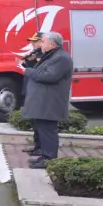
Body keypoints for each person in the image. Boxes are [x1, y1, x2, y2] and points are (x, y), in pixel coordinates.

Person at [21, 31, 74, 169]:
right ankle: (45, 156)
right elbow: (41, 71)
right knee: (42, 129)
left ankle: (50, 158)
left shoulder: (61, 58)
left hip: (51, 102)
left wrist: (26, 71)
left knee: (48, 130)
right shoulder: (51, 56)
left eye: (43, 41)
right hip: (44, 101)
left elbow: (49, 76)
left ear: (51, 44)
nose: (40, 44)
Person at [20, 32, 43, 157]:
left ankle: (40, 147)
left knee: (39, 122)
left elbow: (38, 71)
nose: (32, 44)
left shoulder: (42, 56)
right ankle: (36, 146)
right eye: (32, 41)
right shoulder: (34, 54)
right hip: (28, 88)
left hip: (35, 91)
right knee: (34, 121)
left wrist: (31, 60)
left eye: (35, 41)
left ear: (42, 42)